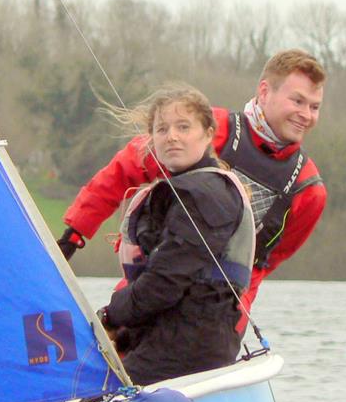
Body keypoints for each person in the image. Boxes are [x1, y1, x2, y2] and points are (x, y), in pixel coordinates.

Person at [58, 49, 327, 334]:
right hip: (153, 279)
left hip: (216, 313)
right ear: (264, 92)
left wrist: (233, 319)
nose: (305, 115)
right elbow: (122, 172)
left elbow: (261, 264)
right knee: (119, 336)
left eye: (314, 107)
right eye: (297, 101)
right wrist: (74, 234)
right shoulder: (204, 128)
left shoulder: (309, 191)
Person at [95, 84, 254, 385]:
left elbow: (165, 283)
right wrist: (123, 333)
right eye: (162, 129)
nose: (172, 137)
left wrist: (109, 316)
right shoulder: (181, 191)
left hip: (190, 350)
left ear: (208, 134)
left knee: (95, 399)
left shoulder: (207, 195)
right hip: (169, 339)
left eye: (184, 127)